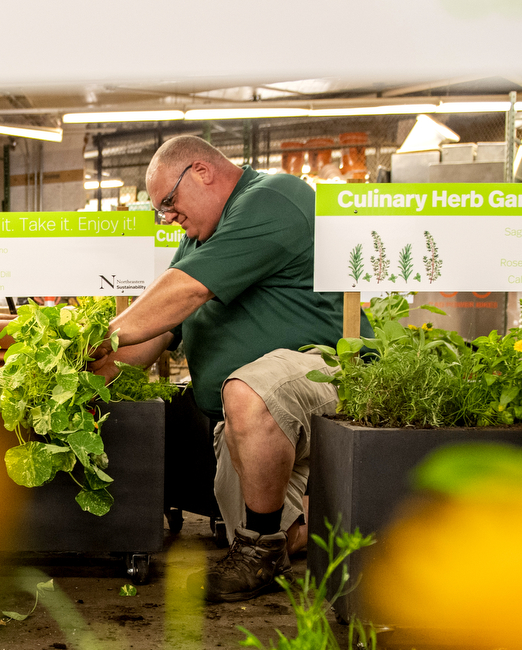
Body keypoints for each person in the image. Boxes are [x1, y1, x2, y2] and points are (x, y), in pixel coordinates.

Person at [90, 135, 364, 602]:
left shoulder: (274, 198)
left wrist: (96, 336)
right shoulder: (198, 240)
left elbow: (184, 293)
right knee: (253, 522)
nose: (169, 217)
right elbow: (156, 332)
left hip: (322, 373)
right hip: (253, 424)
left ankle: (262, 549)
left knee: (248, 389)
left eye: (169, 203)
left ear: (201, 171)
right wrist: (78, 373)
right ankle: (301, 531)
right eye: (162, 211)